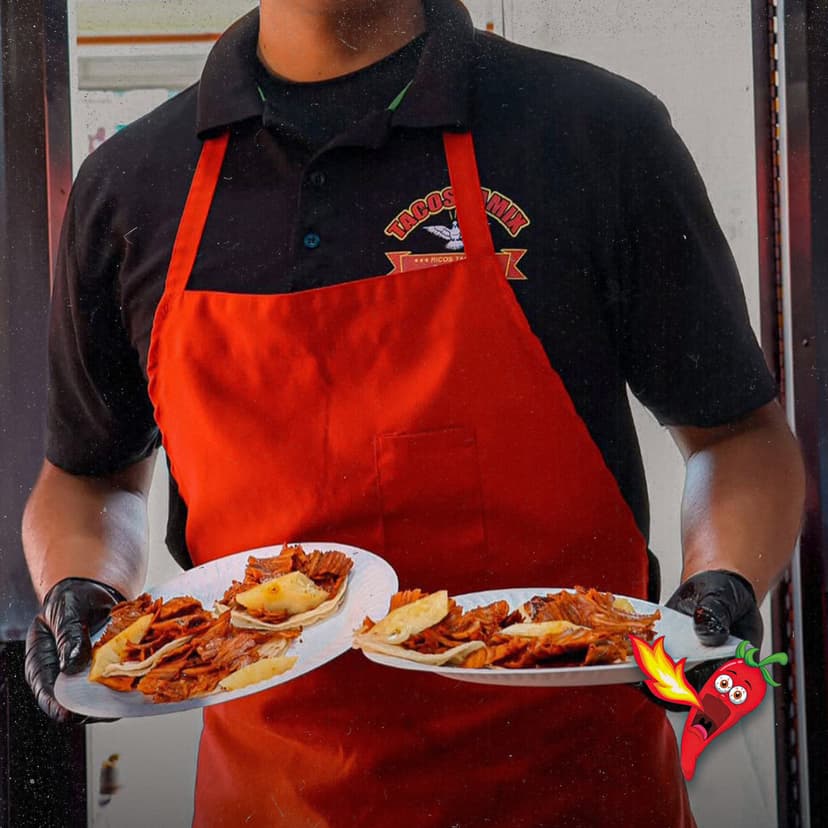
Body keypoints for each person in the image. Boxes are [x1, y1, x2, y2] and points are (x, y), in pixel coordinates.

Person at [22, 1, 805, 825]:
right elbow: (89, 478)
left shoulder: (596, 132)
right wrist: (81, 586)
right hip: (273, 796)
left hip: (577, 787)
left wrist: (721, 582)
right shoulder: (130, 185)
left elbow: (738, 438)